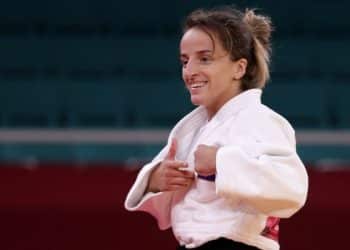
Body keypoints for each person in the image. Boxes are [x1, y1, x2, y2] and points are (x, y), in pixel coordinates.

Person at [125, 5, 308, 250]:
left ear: (239, 68)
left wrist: (221, 162)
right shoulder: (193, 128)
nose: (189, 71)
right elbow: (172, 207)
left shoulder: (259, 119)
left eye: (205, 59)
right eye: (184, 61)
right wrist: (156, 180)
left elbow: (291, 188)